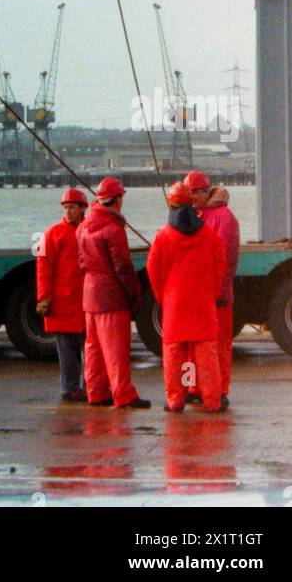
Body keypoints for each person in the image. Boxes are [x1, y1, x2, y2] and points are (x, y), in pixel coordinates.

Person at [147, 181, 227, 412]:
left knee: (176, 354)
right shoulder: (208, 234)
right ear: (191, 203)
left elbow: (153, 270)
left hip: (175, 304)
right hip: (202, 303)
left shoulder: (162, 236)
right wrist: (211, 292)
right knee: (206, 353)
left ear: (170, 204)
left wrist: (163, 296)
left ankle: (177, 399)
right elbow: (219, 265)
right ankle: (212, 400)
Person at [75, 176, 150, 408]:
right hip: (111, 297)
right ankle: (123, 394)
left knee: (94, 348)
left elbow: (81, 262)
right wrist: (135, 295)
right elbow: (123, 268)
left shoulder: (82, 227)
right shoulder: (113, 229)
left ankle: (96, 393)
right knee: (116, 349)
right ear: (117, 200)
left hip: (90, 295)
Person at [185, 171, 240, 408]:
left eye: (192, 193)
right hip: (202, 295)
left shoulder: (222, 218)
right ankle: (194, 387)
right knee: (195, 345)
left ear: (203, 192)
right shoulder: (201, 216)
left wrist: (218, 293)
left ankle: (217, 389)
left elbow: (226, 260)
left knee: (217, 346)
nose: (190, 198)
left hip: (215, 296)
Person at [36, 188, 88, 402]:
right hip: (63, 303)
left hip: (84, 301)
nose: (68, 211)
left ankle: (90, 386)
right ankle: (70, 388)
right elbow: (43, 267)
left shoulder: (88, 230)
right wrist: (44, 297)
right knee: (67, 351)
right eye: (66, 207)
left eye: (72, 207)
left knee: (89, 350)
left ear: (82, 208)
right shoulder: (51, 234)